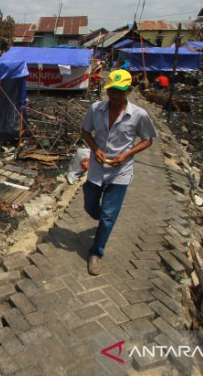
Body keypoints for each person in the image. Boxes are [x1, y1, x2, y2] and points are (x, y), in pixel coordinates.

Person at [80, 69, 158, 275]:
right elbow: (85, 131)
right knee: (90, 206)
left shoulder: (139, 115)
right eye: (111, 91)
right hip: (97, 168)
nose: (114, 95)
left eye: (119, 91)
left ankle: (96, 252)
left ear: (129, 91)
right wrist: (96, 149)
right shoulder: (96, 109)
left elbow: (148, 140)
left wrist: (127, 154)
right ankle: (101, 216)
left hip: (120, 171)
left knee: (108, 216)